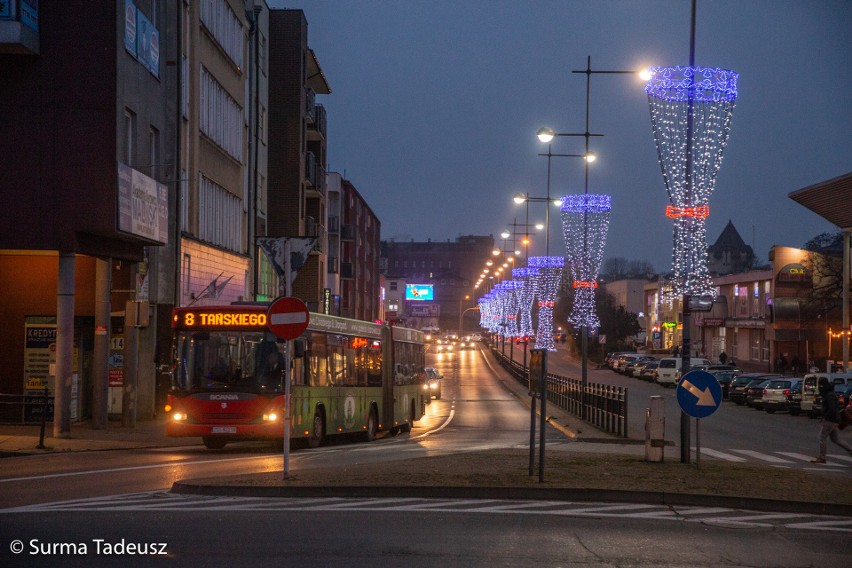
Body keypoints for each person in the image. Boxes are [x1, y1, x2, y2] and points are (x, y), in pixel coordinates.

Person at [811, 377, 852, 464]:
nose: (819, 387)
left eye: (820, 385)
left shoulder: (828, 395)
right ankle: (850, 450)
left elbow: (832, 408)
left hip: (830, 419)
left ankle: (822, 457)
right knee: (836, 439)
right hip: (835, 419)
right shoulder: (830, 393)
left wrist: (826, 416)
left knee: (822, 437)